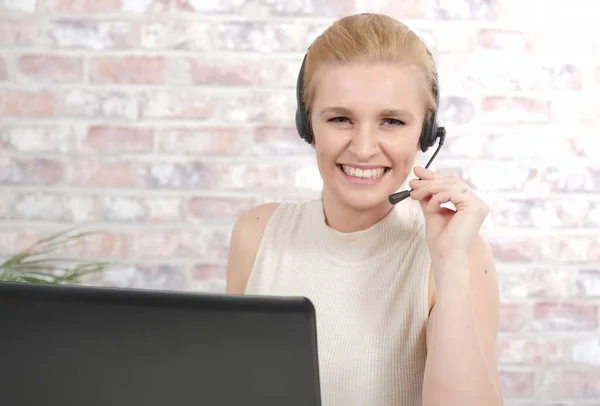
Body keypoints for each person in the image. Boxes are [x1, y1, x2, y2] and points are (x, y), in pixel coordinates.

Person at [226, 12, 503, 406]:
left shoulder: (461, 254)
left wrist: (449, 264)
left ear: (425, 134)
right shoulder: (257, 233)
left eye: (391, 121)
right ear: (308, 126)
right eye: (340, 118)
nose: (363, 147)